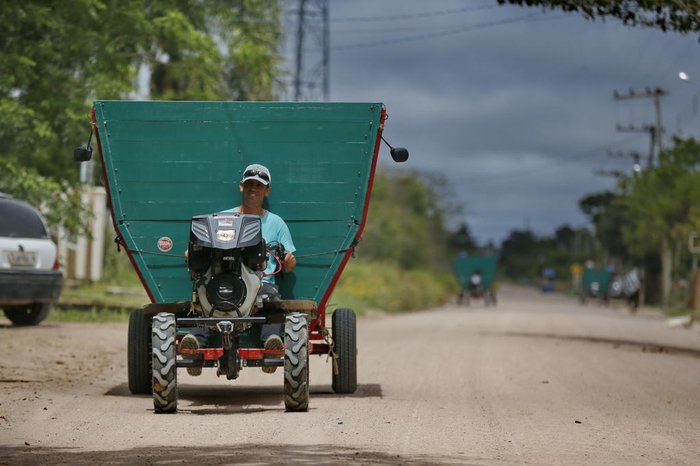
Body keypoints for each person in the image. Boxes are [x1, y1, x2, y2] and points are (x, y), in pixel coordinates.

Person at [180, 163, 297, 375]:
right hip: (223, 282)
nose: (254, 189)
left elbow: (290, 261)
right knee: (204, 296)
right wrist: (191, 254)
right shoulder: (220, 219)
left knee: (270, 298)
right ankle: (194, 348)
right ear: (241, 186)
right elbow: (197, 248)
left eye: (259, 186)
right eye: (249, 184)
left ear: (266, 190)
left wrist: (288, 260)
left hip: (260, 285)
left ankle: (271, 345)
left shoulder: (276, 224)